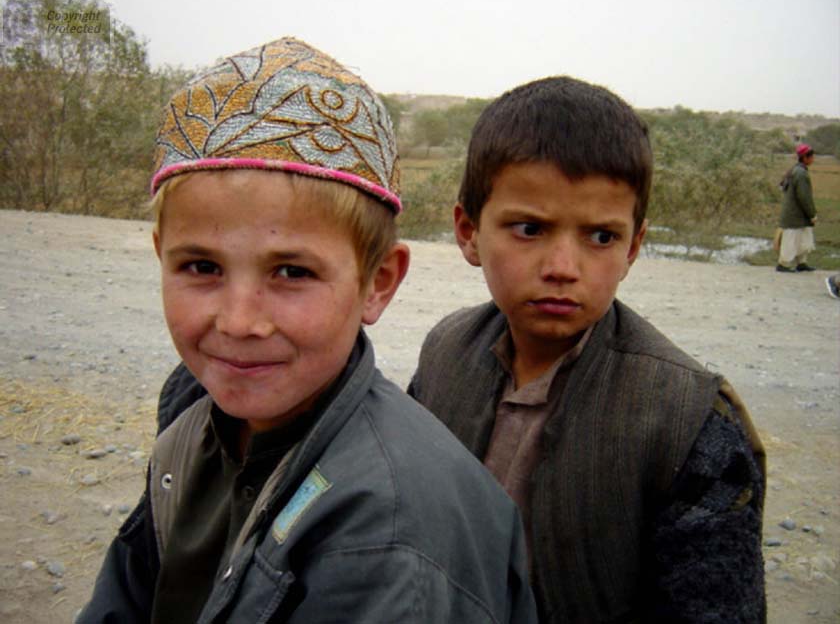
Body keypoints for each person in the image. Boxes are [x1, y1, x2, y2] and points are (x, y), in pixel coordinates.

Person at [77, 37, 537, 624]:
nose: (240, 322)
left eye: (292, 272)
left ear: (378, 282)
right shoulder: (193, 424)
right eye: (202, 267)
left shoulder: (394, 539)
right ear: (160, 256)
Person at [407, 77, 767, 623]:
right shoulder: (445, 353)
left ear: (634, 247)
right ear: (468, 231)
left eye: (601, 237)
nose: (562, 268)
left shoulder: (690, 421)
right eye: (529, 228)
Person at [777, 143, 818, 272]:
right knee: (791, 239)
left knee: (804, 238)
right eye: (811, 157)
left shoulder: (795, 170)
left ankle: (802, 263)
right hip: (795, 214)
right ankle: (783, 265)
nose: (813, 159)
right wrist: (812, 214)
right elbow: (804, 197)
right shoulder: (801, 173)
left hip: (796, 213)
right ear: (805, 158)